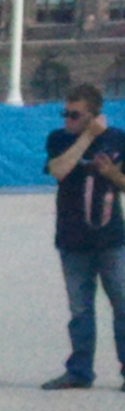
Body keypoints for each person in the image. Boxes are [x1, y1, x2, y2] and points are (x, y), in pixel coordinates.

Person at [41, 83, 125, 390]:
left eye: (75, 115)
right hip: (72, 239)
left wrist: (112, 175)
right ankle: (79, 371)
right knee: (80, 310)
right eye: (66, 113)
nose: (67, 120)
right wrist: (86, 137)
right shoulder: (59, 139)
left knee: (123, 305)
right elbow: (59, 171)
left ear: (93, 115)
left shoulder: (118, 139)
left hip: (111, 239)